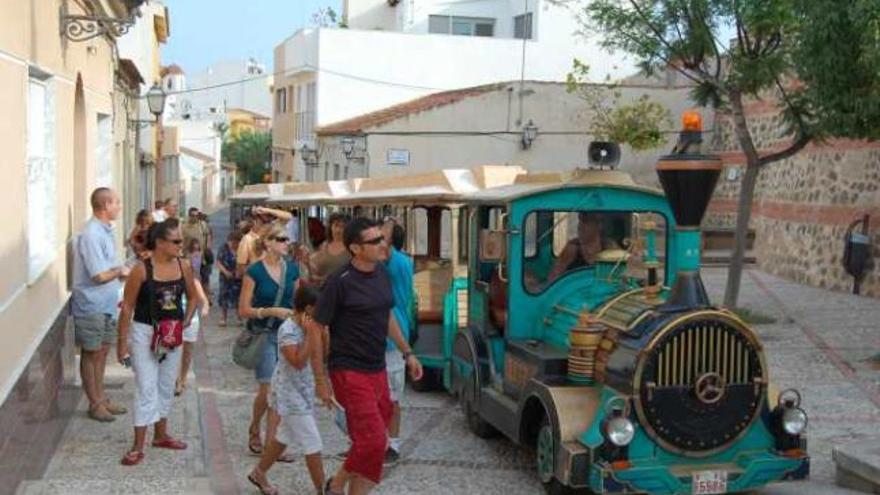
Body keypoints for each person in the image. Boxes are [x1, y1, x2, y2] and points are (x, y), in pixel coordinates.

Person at [316, 217, 423, 495]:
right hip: (348, 370)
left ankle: (345, 488)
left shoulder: (381, 274)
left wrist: (408, 353)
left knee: (372, 441)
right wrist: (320, 379)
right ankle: (337, 485)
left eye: (382, 238)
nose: (382, 244)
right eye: (374, 240)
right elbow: (317, 328)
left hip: (378, 368)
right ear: (355, 248)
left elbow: (386, 315)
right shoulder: (339, 282)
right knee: (374, 442)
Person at [116, 218, 198, 466]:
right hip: (144, 333)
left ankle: (161, 435)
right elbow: (127, 306)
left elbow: (193, 297)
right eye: (176, 241)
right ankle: (138, 445)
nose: (180, 245)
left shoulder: (184, 266)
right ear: (160, 243)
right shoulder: (142, 269)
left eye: (181, 240)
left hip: (172, 334)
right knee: (146, 385)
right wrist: (122, 343)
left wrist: (185, 321)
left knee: (165, 384)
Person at [247, 286, 330, 495]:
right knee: (312, 442)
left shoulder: (312, 325)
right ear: (309, 308)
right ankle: (323, 489)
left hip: (304, 388)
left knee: (283, 437)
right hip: (288, 391)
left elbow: (325, 354)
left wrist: (323, 334)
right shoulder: (288, 330)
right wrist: (311, 336)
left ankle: (259, 473)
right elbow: (297, 362)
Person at [239, 224, 300, 462]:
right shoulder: (254, 272)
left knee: (281, 390)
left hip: (287, 335)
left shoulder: (293, 269)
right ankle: (258, 430)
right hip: (264, 334)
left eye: (288, 239)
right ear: (268, 242)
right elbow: (243, 310)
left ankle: (270, 443)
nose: (287, 243)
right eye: (282, 239)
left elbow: (299, 303)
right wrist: (270, 311)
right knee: (268, 388)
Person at [72, 187, 130, 422]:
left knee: (103, 352)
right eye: (116, 202)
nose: (119, 206)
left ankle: (101, 398)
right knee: (92, 352)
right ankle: (94, 403)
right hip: (91, 304)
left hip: (106, 302)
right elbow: (98, 275)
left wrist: (121, 271)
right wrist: (119, 271)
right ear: (105, 205)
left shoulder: (105, 231)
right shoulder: (91, 234)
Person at [380, 218, 414, 465]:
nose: (380, 229)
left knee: (392, 396)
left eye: (384, 230)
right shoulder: (389, 258)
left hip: (393, 335)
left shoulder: (396, 261)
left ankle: (393, 443)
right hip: (377, 336)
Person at [546, 212, 620, 284]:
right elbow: (553, 279)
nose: (580, 226)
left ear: (599, 225)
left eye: (586, 222)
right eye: (580, 221)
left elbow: (622, 275)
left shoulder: (610, 247)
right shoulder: (572, 248)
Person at [176, 239, 207, 396]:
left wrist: (205, 308)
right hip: (175, 320)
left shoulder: (194, 280)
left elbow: (202, 298)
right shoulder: (172, 278)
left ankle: (182, 378)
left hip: (191, 320)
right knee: (175, 350)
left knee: (187, 351)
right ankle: (176, 379)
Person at [308, 213, 350, 287]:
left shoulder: (351, 247)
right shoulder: (324, 245)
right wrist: (307, 262)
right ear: (331, 227)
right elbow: (315, 271)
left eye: (342, 226)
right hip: (324, 291)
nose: (338, 230)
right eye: (336, 225)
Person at [216, 231, 244, 327]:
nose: (233, 244)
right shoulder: (223, 248)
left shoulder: (242, 249)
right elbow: (218, 262)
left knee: (238, 297)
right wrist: (225, 272)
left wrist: (239, 271)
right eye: (231, 242)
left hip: (238, 276)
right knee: (224, 296)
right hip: (225, 276)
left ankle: (239, 318)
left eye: (236, 242)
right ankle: (223, 318)